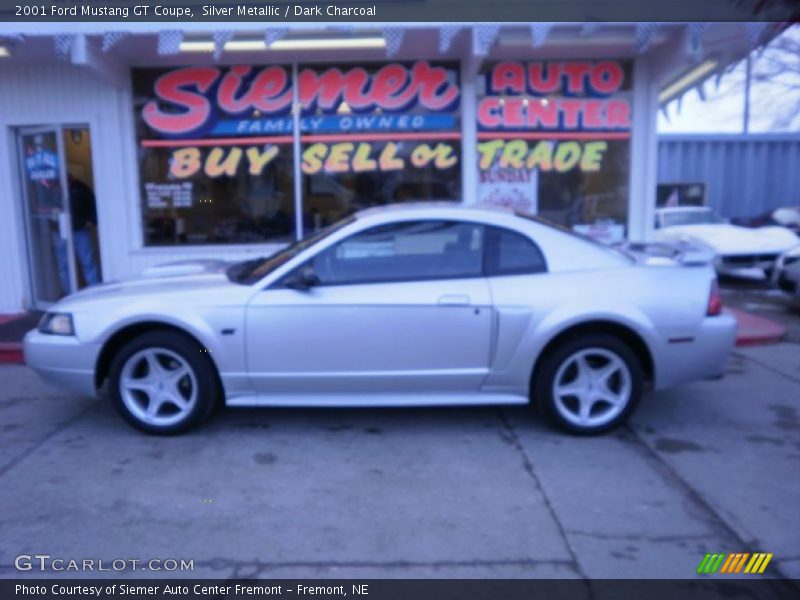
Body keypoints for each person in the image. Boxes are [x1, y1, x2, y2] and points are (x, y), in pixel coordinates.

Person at [52, 176, 100, 294]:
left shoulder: (80, 188)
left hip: (79, 230)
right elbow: (43, 207)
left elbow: (91, 203)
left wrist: (92, 220)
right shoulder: (50, 188)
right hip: (60, 231)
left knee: (88, 262)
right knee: (64, 266)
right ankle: (70, 296)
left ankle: (96, 293)